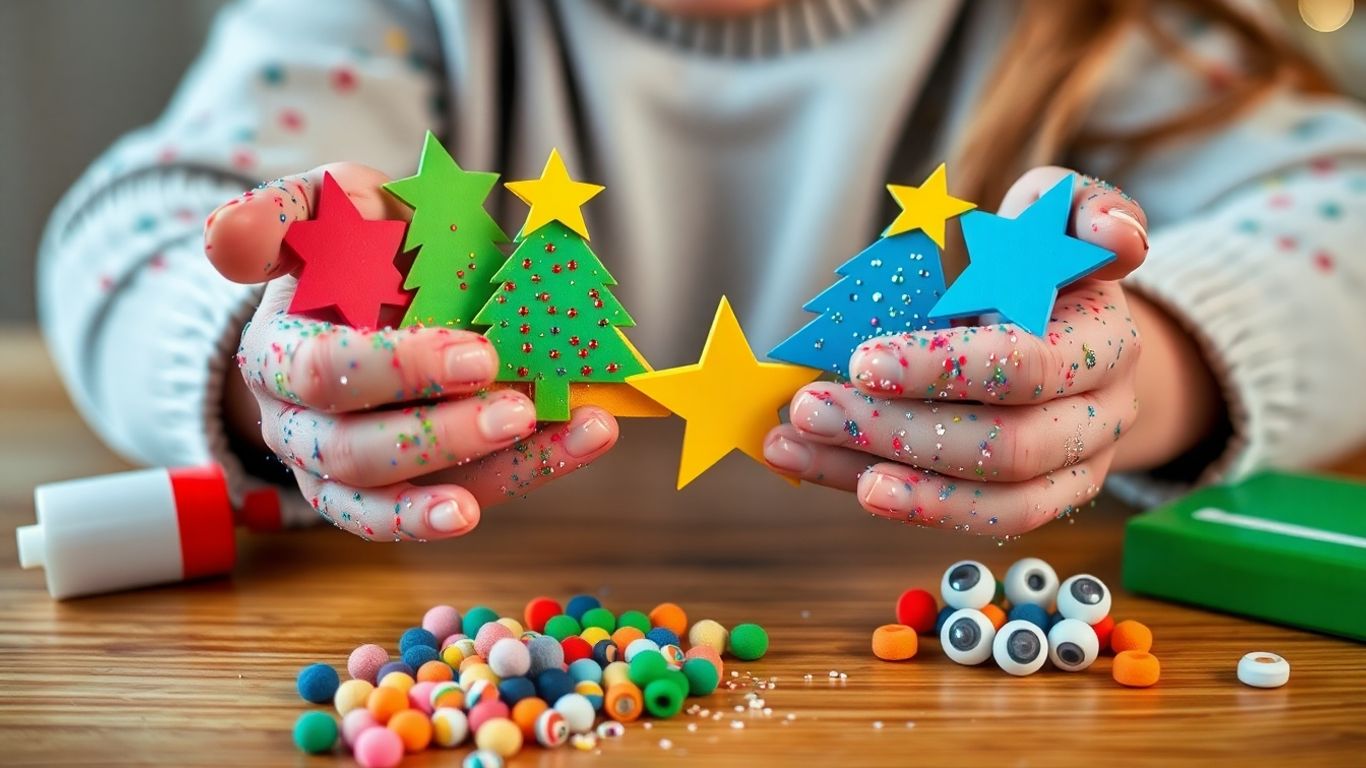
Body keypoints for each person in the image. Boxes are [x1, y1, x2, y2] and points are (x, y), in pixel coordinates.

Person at [38, 0, 1366, 540]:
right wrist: (254, 369)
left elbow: (1343, 202)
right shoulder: (379, 18)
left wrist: (1159, 368)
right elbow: (147, 221)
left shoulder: (1097, 25)